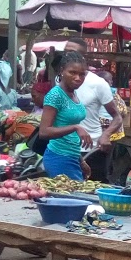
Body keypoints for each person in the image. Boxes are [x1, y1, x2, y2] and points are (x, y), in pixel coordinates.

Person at [38, 49, 93, 179]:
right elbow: (44, 132)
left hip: (73, 156)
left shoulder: (73, 93)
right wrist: (75, 127)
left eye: (82, 74)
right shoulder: (56, 95)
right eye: (72, 72)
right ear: (62, 71)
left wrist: (81, 161)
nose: (78, 78)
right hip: (59, 157)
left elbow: (69, 135)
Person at [76, 65, 123, 181]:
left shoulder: (100, 86)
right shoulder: (61, 90)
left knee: (96, 178)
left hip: (95, 144)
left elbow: (118, 115)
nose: (77, 78)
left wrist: (106, 134)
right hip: (71, 148)